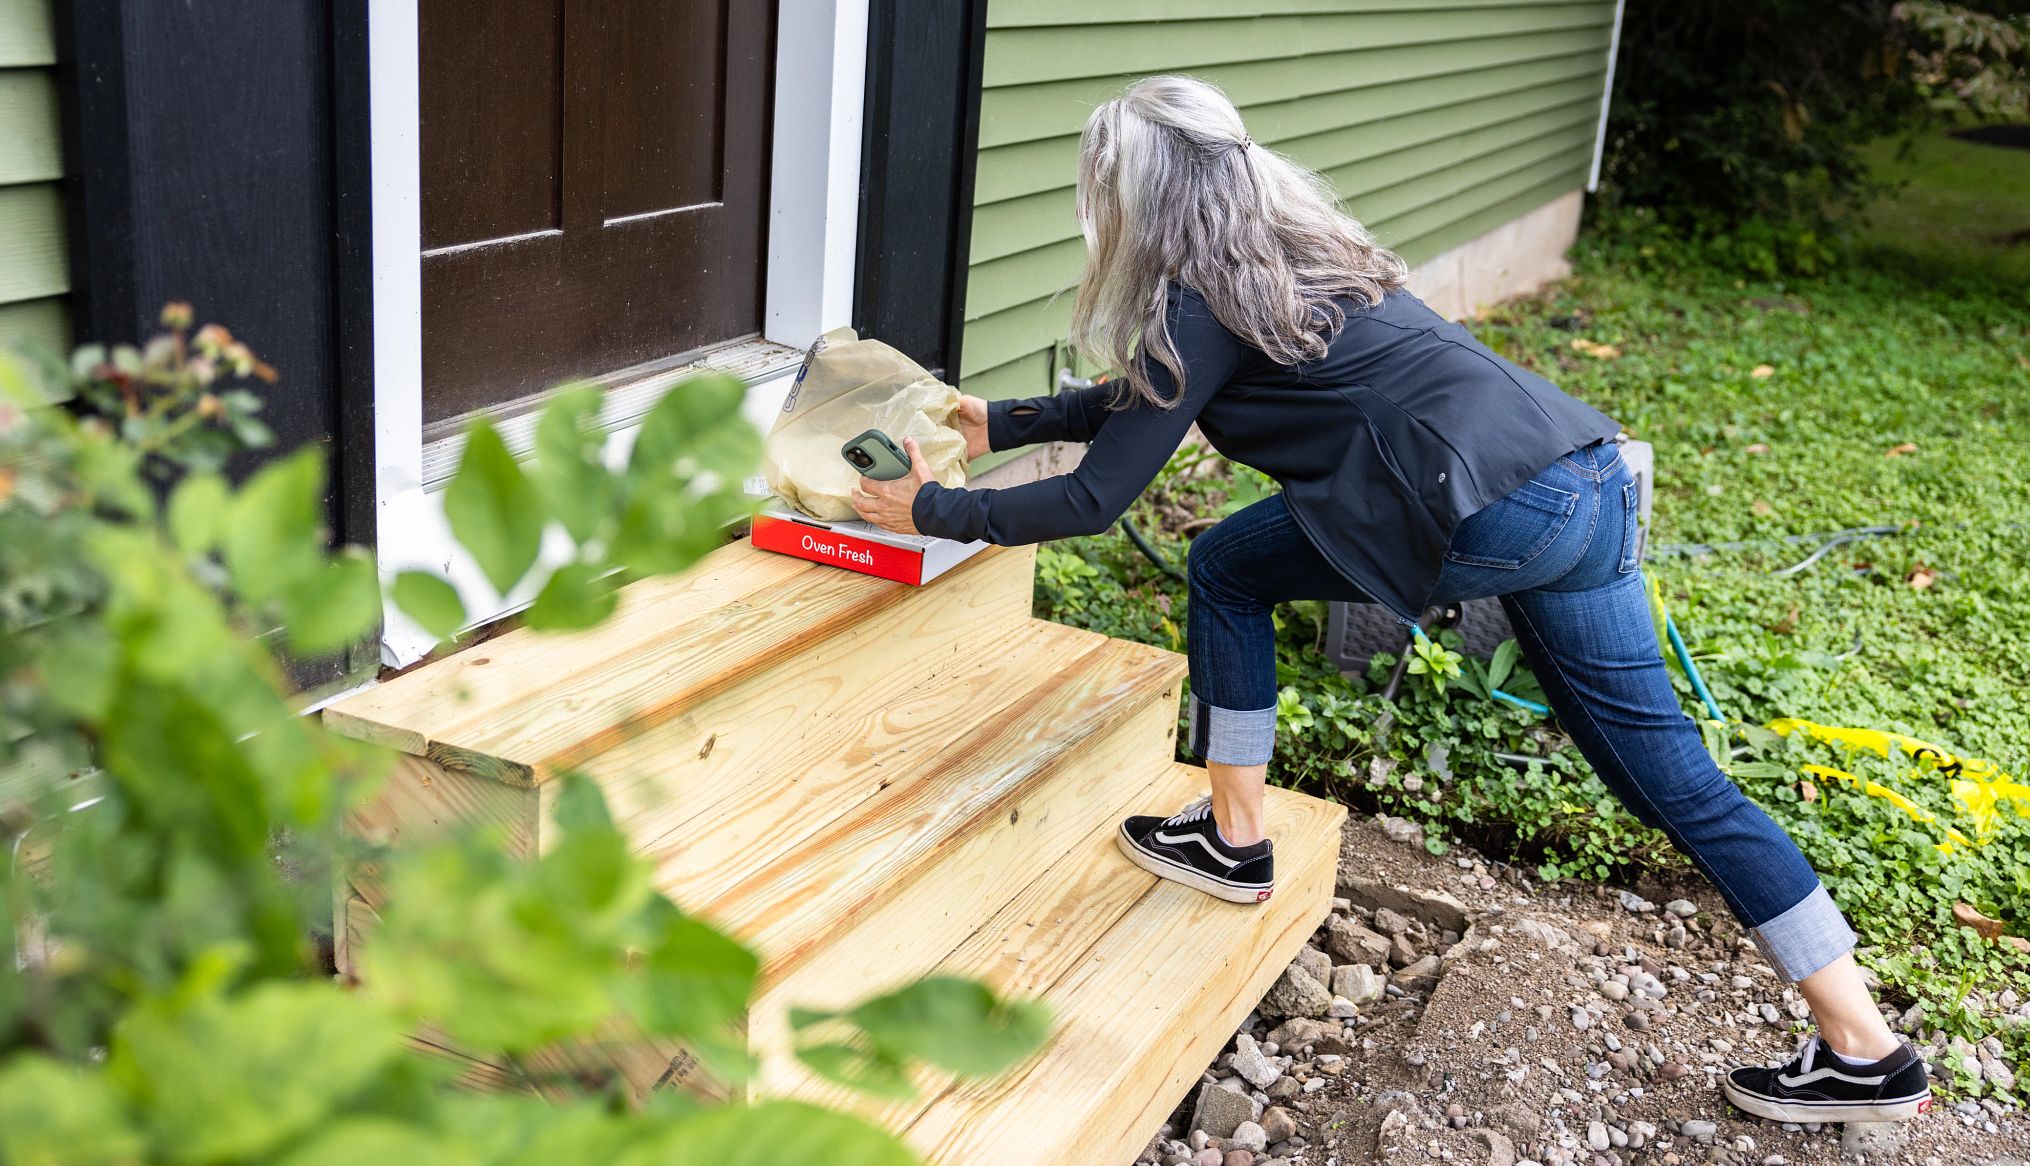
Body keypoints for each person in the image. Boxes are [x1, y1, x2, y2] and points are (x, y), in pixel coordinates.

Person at [848, 75, 1929, 1124]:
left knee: (1226, 565)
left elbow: (1094, 497)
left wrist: (932, 507)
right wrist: (1008, 421)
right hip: (1586, 480)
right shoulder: (1305, 256)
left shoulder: (1198, 300)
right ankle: (1862, 1044)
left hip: (1488, 510)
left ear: (1130, 198)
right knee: (1676, 783)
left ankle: (1232, 837)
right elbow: (1146, 400)